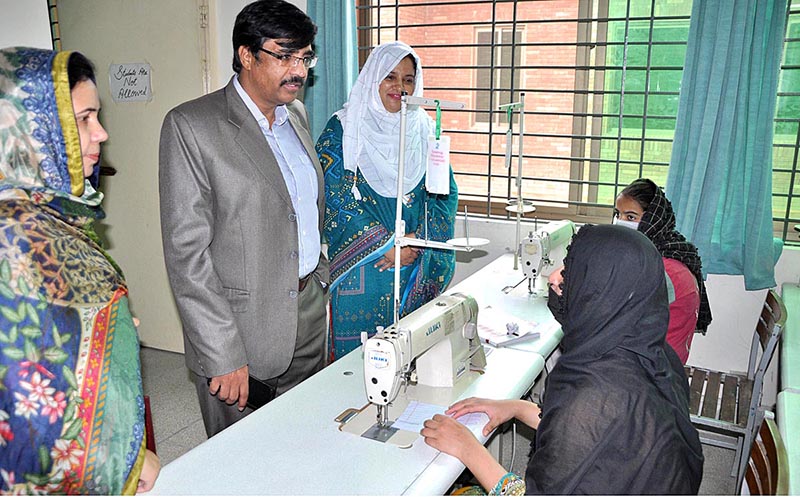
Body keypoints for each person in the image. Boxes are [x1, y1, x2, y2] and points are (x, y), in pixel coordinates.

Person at [421, 224, 704, 495]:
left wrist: (468, 449)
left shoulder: (597, 393)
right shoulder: (652, 353)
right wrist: (517, 407)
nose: (554, 276)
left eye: (572, 271)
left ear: (604, 291)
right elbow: (604, 436)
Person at [159, 0, 329, 437]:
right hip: (241, 331)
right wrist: (222, 352)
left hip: (307, 313)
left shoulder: (298, 117)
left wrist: (318, 283)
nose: (299, 70)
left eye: (305, 57)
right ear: (246, 55)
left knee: (304, 442)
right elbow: (187, 256)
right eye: (284, 55)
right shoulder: (192, 126)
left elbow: (303, 215)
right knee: (242, 463)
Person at [0, 47, 159, 493]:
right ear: (33, 132)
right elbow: (29, 401)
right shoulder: (15, 234)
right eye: (84, 119)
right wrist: (124, 463)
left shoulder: (42, 215)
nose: (101, 133)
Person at [316, 41, 458, 360]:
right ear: (373, 78)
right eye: (390, 77)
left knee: (411, 362)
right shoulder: (342, 128)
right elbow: (334, 197)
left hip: (414, 265)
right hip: (365, 266)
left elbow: (443, 193)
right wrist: (389, 245)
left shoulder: (424, 130)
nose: (400, 87)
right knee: (358, 367)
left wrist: (418, 244)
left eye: (408, 79)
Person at [614, 178, 711, 363]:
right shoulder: (668, 250)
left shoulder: (662, 270)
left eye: (631, 217)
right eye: (618, 214)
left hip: (657, 369)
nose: (620, 222)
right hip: (659, 357)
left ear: (653, 219)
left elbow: (615, 315)